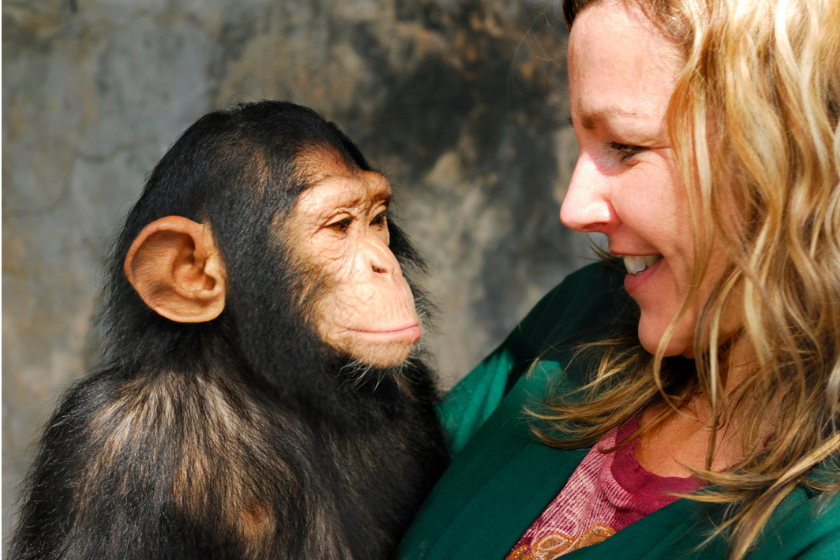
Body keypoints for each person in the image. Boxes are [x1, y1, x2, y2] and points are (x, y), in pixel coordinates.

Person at [396, 0, 840, 558]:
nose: (574, 208)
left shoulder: (821, 527)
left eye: (626, 147)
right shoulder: (585, 315)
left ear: (798, 150)